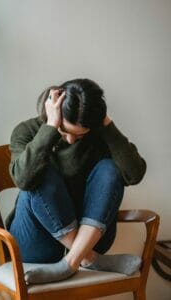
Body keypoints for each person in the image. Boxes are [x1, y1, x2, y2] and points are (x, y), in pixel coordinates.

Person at [7, 78, 146, 284]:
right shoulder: (26, 131)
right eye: (65, 131)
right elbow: (23, 179)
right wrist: (51, 128)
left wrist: (107, 125)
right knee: (40, 172)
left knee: (110, 169)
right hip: (36, 241)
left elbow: (134, 174)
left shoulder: (99, 133)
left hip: (90, 236)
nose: (71, 140)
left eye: (79, 135)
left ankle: (70, 262)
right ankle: (89, 259)